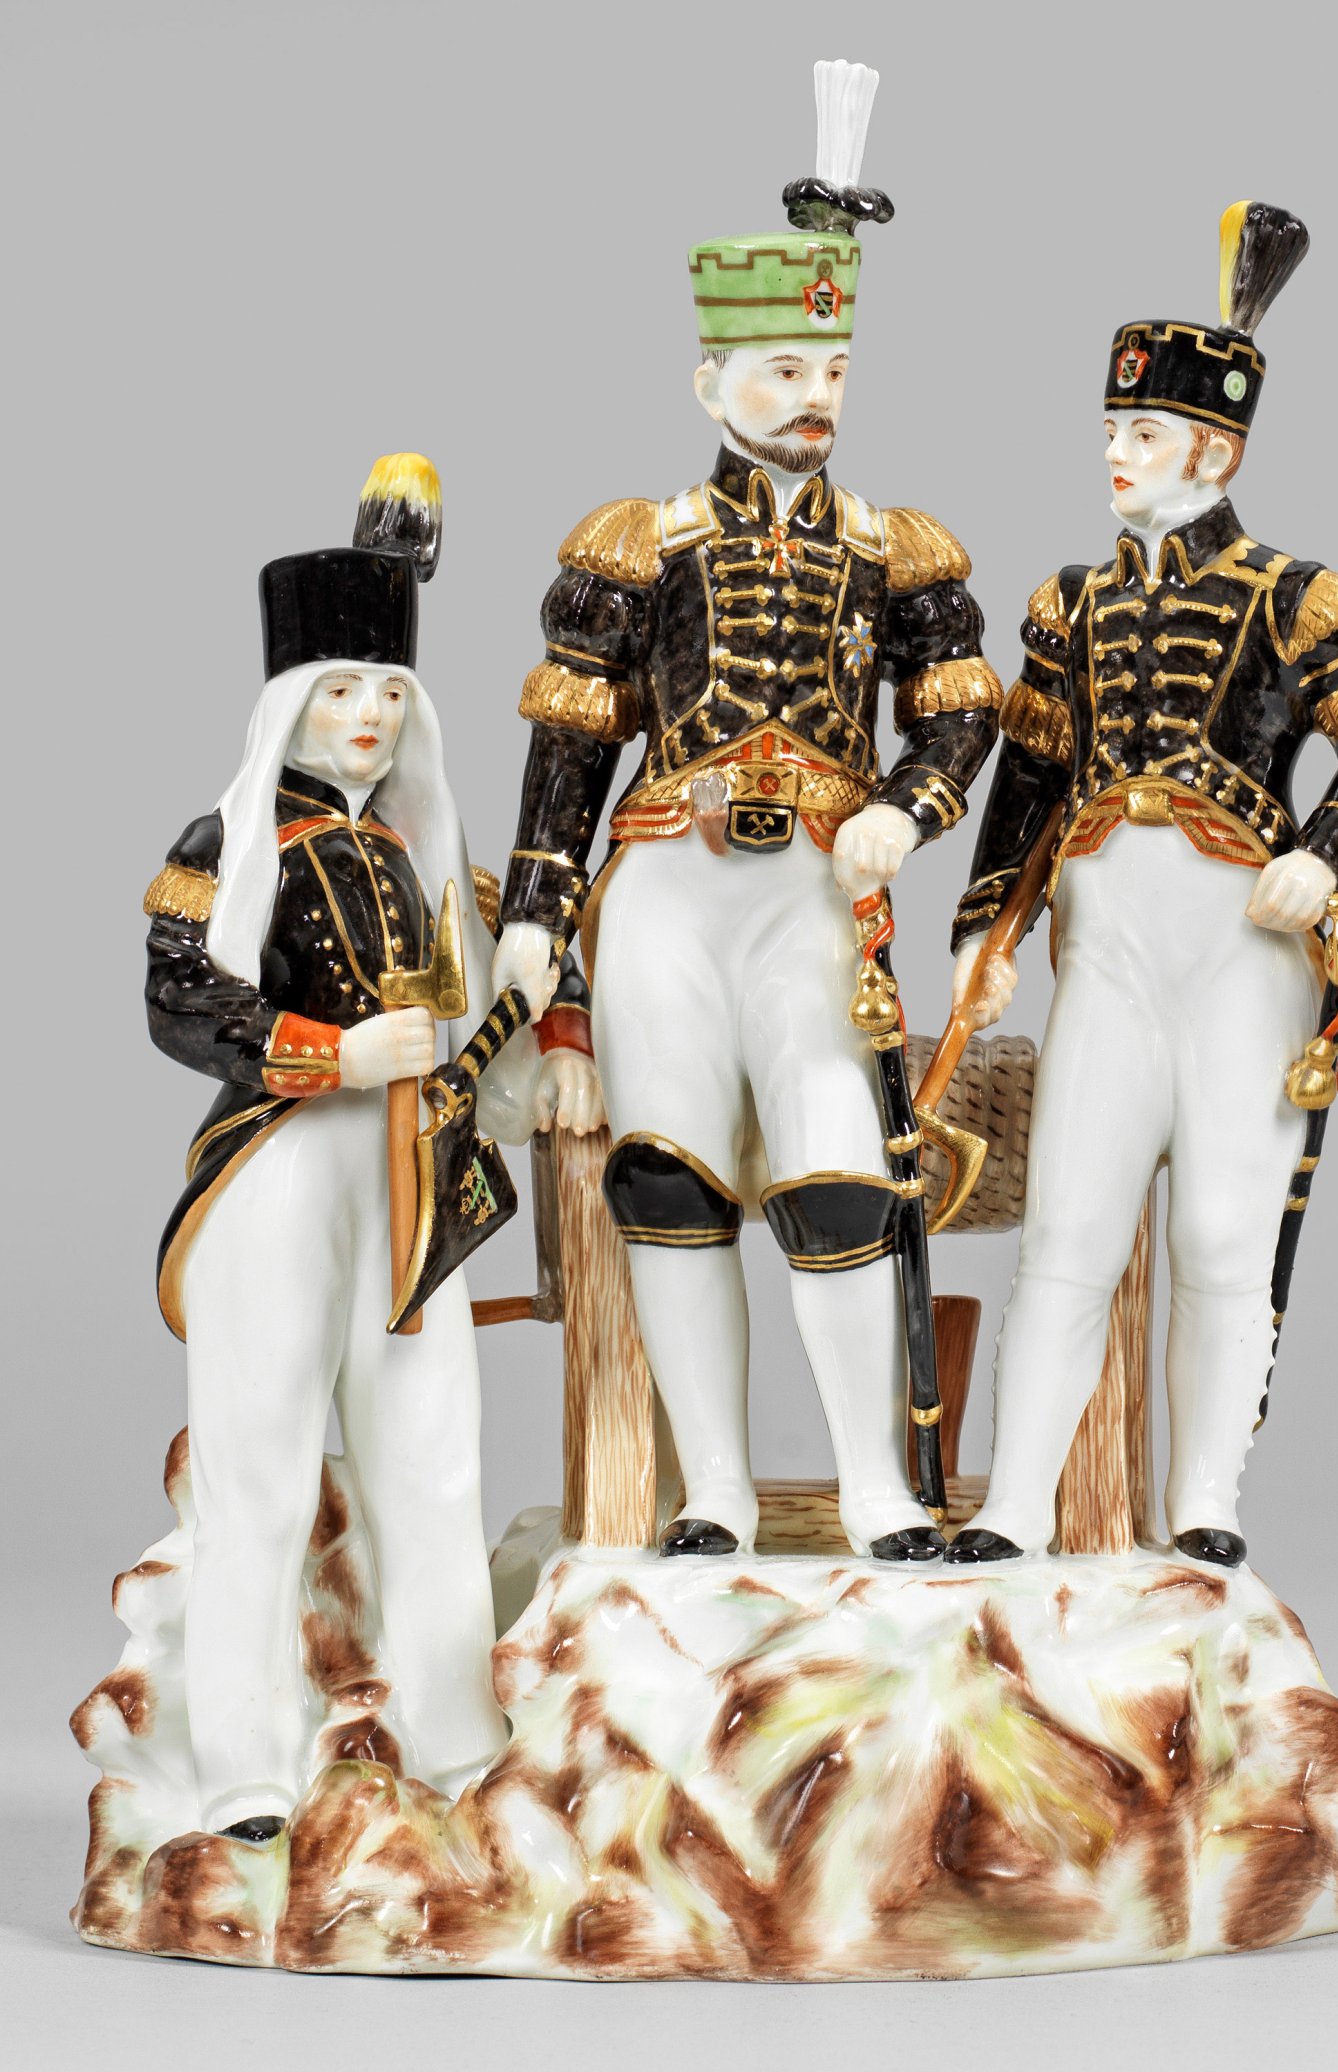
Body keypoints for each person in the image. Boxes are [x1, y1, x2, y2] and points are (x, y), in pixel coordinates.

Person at [491, 62, 1005, 1559]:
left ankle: (873, 1487)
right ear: (711, 382)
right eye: (782, 371)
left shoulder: (892, 547)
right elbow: (571, 744)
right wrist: (535, 916)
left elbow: (961, 709)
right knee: (670, 1180)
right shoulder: (638, 542)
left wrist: (909, 808)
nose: (813, 399)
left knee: (839, 1176)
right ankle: (712, 1486)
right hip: (667, 893)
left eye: (830, 371)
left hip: (812, 903)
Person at [944, 205, 1338, 1569]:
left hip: (1239, 951)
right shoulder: (1070, 605)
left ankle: (1208, 1500)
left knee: (1221, 1231)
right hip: (1106, 946)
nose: (1115, 451)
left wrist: (1323, 849)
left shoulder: (1298, 594)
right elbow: (1031, 779)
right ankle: (1016, 1506)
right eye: (1112, 427)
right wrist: (986, 929)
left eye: (1142, 432)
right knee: (1067, 1230)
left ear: (1214, 451)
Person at [144, 456, 588, 1841]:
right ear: (291, 702)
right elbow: (180, 997)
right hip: (280, 1173)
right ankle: (242, 1760)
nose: (371, 716)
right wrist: (331, 1054)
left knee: (433, 1458)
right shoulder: (229, 841)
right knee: (261, 1470)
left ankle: (456, 1737)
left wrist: (541, 1042)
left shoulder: (420, 856)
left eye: (390, 693)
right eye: (343, 689)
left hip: (413, 1185)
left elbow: (499, 1003)